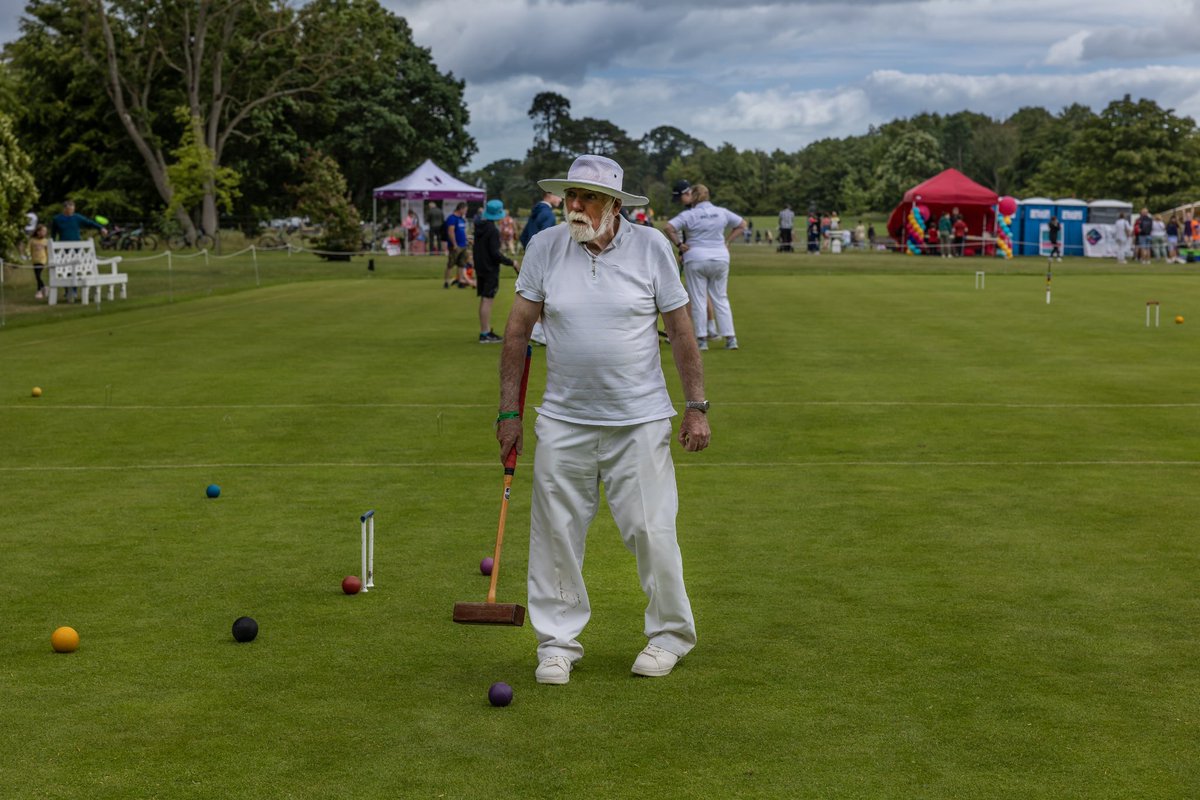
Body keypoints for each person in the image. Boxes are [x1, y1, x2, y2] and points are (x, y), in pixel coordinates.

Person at [496, 154, 709, 685]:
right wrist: (508, 412)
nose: (574, 206)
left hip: (638, 420)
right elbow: (518, 332)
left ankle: (670, 635)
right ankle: (556, 643)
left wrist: (697, 405)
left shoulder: (652, 247)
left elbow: (681, 331)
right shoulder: (544, 247)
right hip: (564, 419)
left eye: (586, 197)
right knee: (556, 534)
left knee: (652, 531)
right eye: (570, 196)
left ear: (614, 204)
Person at [664, 183, 745, 351]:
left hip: (696, 258)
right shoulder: (721, 212)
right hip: (720, 257)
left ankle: (702, 340)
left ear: (693, 196)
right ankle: (731, 338)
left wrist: (679, 244)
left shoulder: (690, 214)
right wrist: (728, 240)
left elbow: (668, 227)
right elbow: (742, 224)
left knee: (698, 299)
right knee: (721, 298)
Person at [519, 189, 562, 345]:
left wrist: (530, 255)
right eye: (558, 195)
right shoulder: (547, 214)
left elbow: (523, 237)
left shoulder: (536, 211)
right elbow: (547, 240)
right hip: (545, 260)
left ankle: (537, 330)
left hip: (532, 258)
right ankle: (538, 330)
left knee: (536, 294)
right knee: (546, 295)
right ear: (549, 195)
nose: (560, 199)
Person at [472, 199, 518, 343]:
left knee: (485, 299)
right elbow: (495, 254)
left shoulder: (480, 227)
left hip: (480, 267)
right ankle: (485, 333)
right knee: (487, 299)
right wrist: (512, 262)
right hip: (489, 268)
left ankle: (484, 330)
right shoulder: (492, 230)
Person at [50, 199, 107, 302]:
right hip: (63, 248)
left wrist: (101, 228)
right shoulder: (57, 219)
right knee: (65, 270)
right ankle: (68, 290)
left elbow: (89, 223)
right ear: (65, 209)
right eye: (69, 210)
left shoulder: (77, 217)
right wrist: (52, 247)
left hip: (76, 248)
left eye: (73, 209)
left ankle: (74, 290)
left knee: (76, 268)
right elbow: (53, 234)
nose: (71, 212)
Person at [443, 202, 470, 288]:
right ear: (461, 209)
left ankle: (460, 280)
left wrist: (467, 240)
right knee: (451, 263)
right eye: (465, 210)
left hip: (463, 245)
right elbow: (451, 232)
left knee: (462, 264)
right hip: (456, 245)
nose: (466, 212)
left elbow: (463, 231)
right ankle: (446, 282)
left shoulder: (462, 219)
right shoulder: (452, 218)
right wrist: (454, 244)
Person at [23, 223, 50, 300]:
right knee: (37, 276)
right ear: (38, 232)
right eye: (43, 231)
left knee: (38, 275)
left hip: (42, 260)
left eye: (45, 231)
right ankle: (44, 287)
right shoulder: (32, 240)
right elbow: (28, 249)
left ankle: (39, 291)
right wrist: (28, 254)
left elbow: (48, 251)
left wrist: (48, 260)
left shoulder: (46, 241)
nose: (44, 233)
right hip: (35, 260)